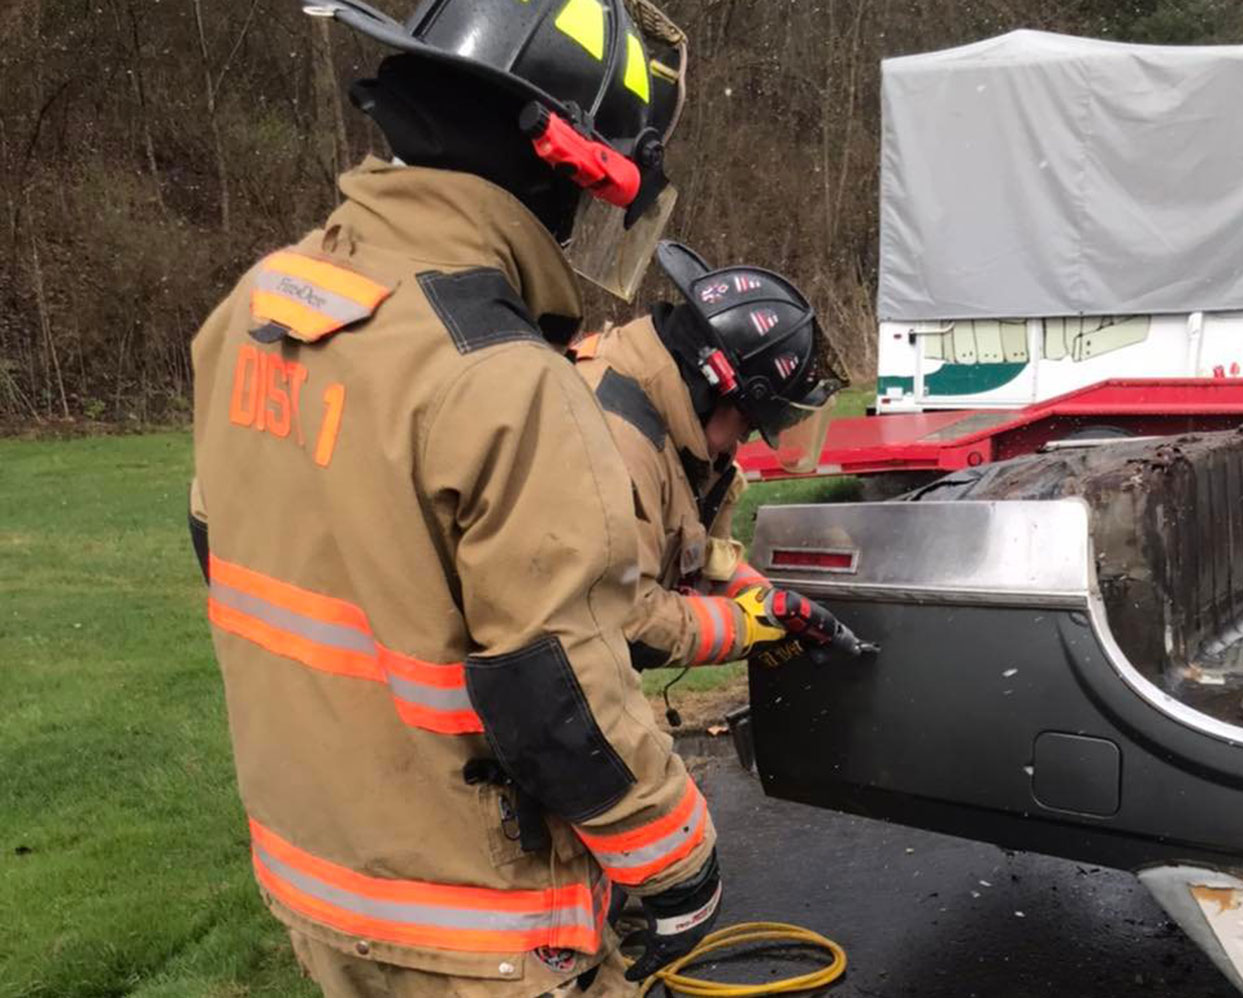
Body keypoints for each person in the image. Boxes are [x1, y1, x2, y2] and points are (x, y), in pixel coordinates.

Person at [187, 3, 719, 996]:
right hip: (479, 929)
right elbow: (559, 698)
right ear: (559, 165)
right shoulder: (502, 378)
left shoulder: (257, 305)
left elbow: (218, 549)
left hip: (317, 882)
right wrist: (682, 865)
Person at [570, 241, 863, 676]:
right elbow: (625, 620)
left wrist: (769, 602)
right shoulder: (616, 440)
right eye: (745, 427)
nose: (736, 449)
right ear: (714, 388)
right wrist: (747, 627)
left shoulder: (672, 421)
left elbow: (693, 556)